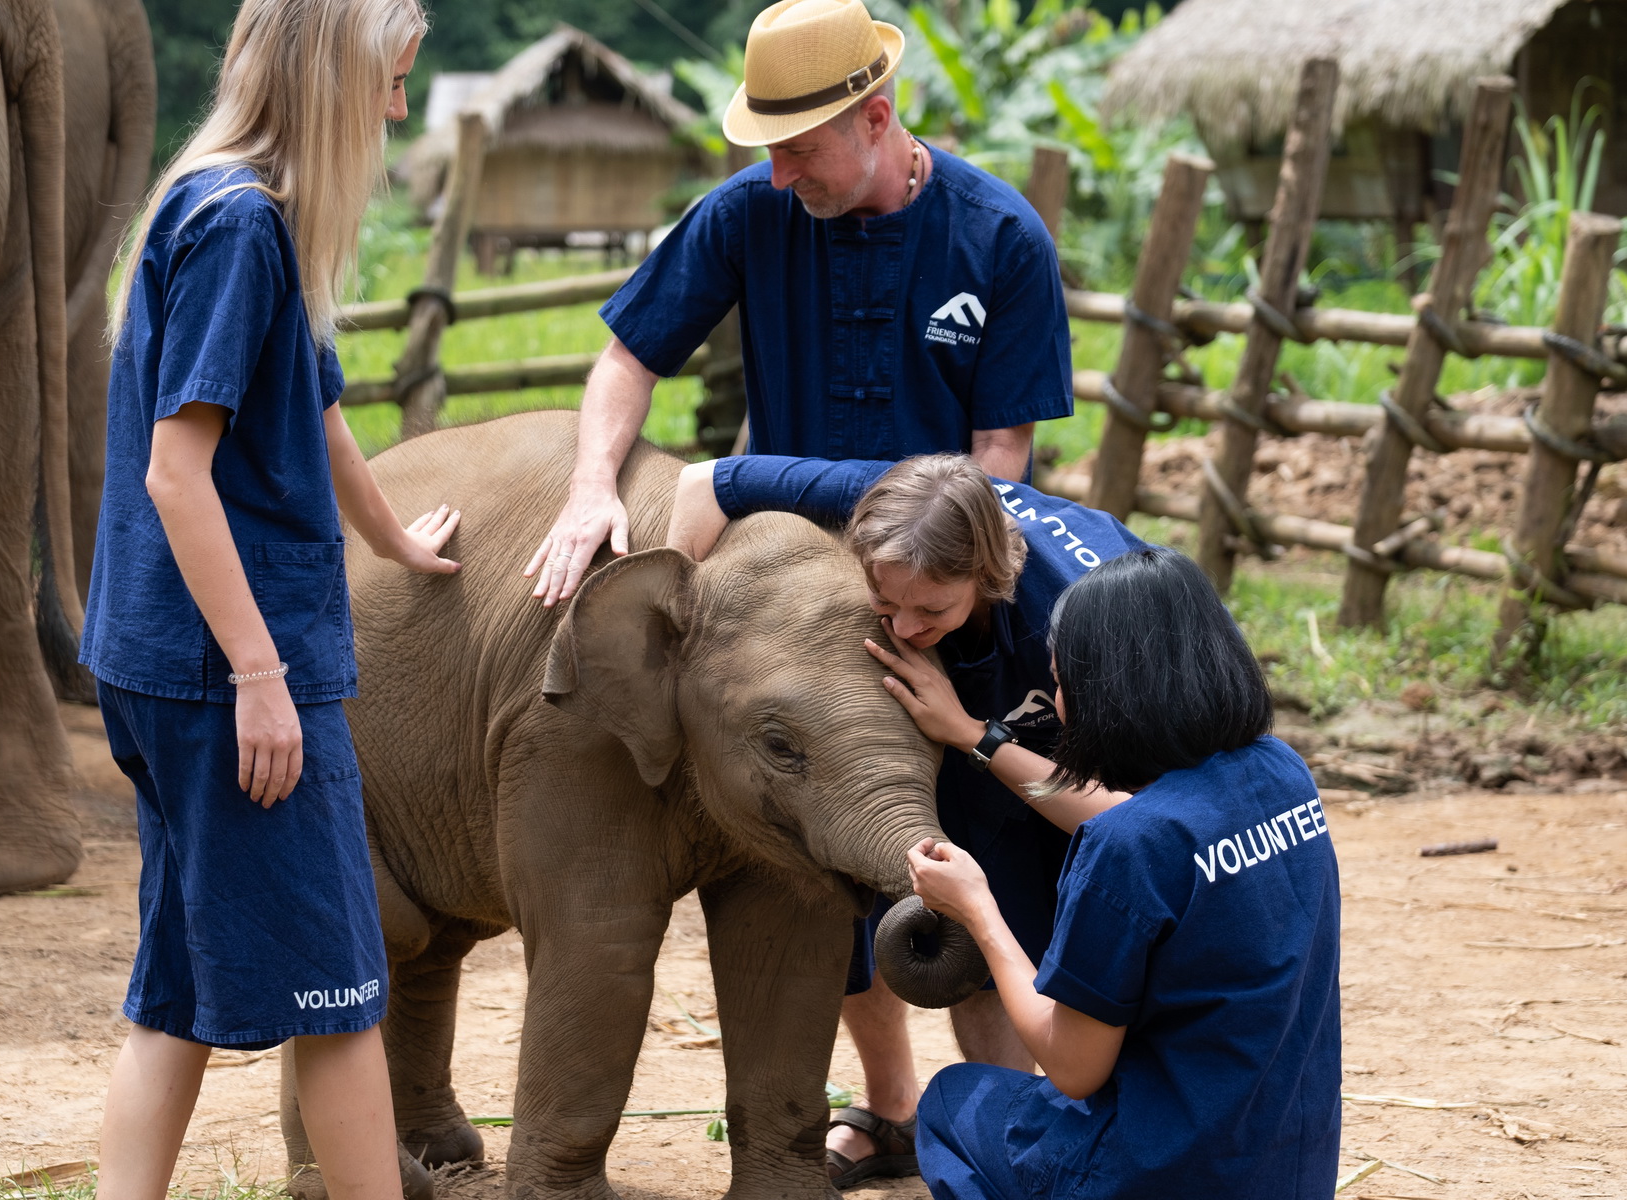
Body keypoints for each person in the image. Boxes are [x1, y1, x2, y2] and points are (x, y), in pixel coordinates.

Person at [77, 4, 458, 1199]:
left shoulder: (225, 207)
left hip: (150, 655)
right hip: (219, 670)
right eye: (392, 83)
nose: (398, 111)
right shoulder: (242, 228)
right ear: (333, 81)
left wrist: (391, 534)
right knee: (342, 990)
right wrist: (260, 676)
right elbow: (175, 473)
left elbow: (319, 403)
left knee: (179, 986)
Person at [666, 452, 1141, 1186]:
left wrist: (974, 735)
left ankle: (1055, 1139)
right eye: (886, 605)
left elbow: (1125, 819)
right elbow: (702, 481)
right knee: (881, 891)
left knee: (1036, 917)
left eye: (932, 611)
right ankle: (923, 1121)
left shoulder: (1081, 616)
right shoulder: (899, 501)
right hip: (957, 716)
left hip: (1075, 747)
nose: (908, 627)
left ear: (988, 577)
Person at [527, 0, 1072, 610]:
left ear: (874, 118)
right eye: (770, 152)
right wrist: (591, 487)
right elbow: (628, 360)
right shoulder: (745, 211)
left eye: (801, 151)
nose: (780, 177)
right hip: (777, 564)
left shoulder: (1003, 239)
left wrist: (936, 594)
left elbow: (999, 452)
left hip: (932, 572)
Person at [906, 547, 1342, 1200]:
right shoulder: (1282, 774)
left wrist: (979, 910)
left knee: (951, 1102)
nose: (1055, 702)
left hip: (1162, 1172)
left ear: (1110, 695)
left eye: (1060, 682)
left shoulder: (1126, 847)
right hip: (1287, 1168)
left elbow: (1072, 1067)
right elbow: (1166, 822)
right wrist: (978, 736)